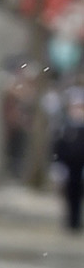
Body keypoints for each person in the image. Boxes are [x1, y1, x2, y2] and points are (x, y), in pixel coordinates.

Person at [54, 90, 84, 233]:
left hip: (81, 168)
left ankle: (78, 221)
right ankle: (71, 222)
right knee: (70, 196)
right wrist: (58, 165)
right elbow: (59, 148)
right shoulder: (65, 128)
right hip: (69, 168)